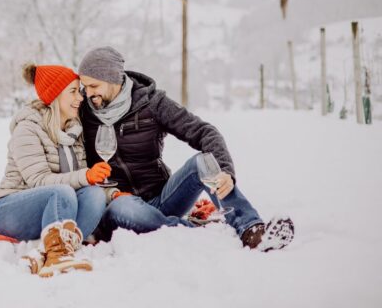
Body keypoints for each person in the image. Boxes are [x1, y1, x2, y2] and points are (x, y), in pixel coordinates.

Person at [77, 46, 295, 252]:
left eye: (94, 86)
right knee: (123, 206)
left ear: (113, 79)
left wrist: (225, 172)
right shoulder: (84, 113)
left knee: (202, 162)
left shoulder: (151, 103)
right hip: (119, 205)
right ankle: (192, 231)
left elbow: (204, 132)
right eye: (84, 87)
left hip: (161, 198)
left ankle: (251, 230)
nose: (88, 93)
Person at [0, 63, 115, 277]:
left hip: (54, 210)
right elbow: (39, 180)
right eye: (73, 91)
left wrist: (110, 193)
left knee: (94, 194)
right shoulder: (28, 128)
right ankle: (58, 254)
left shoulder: (74, 130)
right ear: (56, 95)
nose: (80, 98)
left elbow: (84, 182)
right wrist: (85, 176)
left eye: (80, 91)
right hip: (10, 210)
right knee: (62, 191)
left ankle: (45, 252)